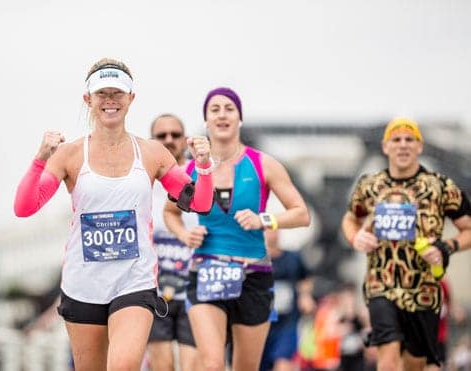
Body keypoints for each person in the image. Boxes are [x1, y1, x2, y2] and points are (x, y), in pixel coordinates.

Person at [13, 58, 214, 371]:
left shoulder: (151, 153)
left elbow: (199, 203)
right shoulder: (69, 155)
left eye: (118, 93)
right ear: (88, 99)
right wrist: (40, 159)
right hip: (83, 284)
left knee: (123, 365)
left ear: (131, 98)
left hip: (134, 281)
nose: (110, 100)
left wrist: (203, 166)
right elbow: (25, 207)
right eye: (102, 93)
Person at [164, 87, 311, 371]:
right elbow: (170, 213)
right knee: (213, 365)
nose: (222, 115)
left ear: (239, 119)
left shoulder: (262, 164)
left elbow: (302, 214)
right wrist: (184, 234)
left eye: (229, 109)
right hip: (206, 271)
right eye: (214, 109)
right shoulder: (192, 170)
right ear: (206, 121)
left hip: (254, 275)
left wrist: (264, 220)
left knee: (246, 367)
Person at [341, 117, 471, 370]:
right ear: (385, 146)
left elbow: (468, 229)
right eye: (396, 139)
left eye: (409, 139)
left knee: (415, 362)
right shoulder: (370, 185)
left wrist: (447, 247)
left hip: (423, 289)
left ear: (419, 147)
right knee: (387, 352)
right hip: (381, 284)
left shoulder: (441, 187)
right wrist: (356, 237)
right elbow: (350, 219)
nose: (403, 145)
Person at [146, 114, 202, 371]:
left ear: (185, 139)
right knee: (162, 365)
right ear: (152, 141)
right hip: (154, 292)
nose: (169, 140)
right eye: (161, 136)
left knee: (193, 366)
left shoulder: (201, 178)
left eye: (175, 134)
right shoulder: (142, 182)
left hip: (195, 289)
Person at [260, 227, 315, 371]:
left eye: (274, 229)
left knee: (283, 363)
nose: (272, 233)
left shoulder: (293, 257)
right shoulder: (255, 260)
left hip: (287, 322)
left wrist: (305, 296)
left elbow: (305, 279)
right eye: (267, 230)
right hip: (261, 323)